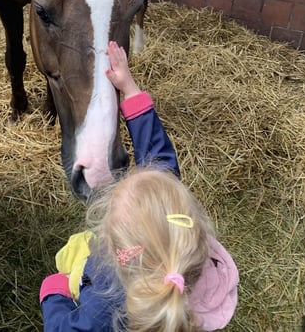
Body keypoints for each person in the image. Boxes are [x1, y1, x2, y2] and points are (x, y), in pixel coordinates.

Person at [39, 41, 239, 332]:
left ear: (117, 253)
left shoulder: (106, 303)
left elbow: (67, 329)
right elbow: (160, 163)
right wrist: (130, 90)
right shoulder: (187, 250)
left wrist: (54, 293)